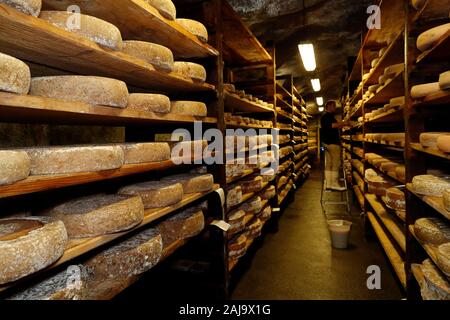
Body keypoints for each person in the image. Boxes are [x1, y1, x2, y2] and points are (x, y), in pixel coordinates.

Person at [320, 100, 351, 191]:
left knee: (329, 164)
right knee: (336, 164)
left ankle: (328, 184)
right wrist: (344, 123)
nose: (335, 108)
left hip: (327, 143)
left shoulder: (329, 116)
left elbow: (334, 126)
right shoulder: (326, 116)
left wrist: (341, 124)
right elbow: (332, 125)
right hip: (332, 143)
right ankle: (334, 183)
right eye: (334, 106)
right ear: (329, 106)